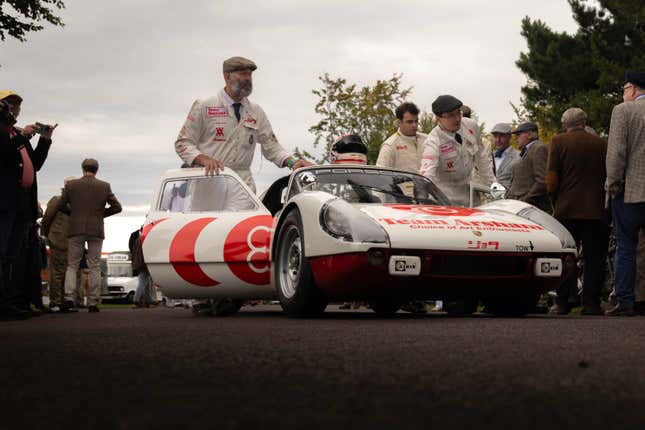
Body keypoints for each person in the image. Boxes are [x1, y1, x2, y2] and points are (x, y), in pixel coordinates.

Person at [175, 56, 313, 193]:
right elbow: (182, 144)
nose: (248, 79)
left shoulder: (255, 111)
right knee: (210, 216)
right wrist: (203, 159)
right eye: (242, 74)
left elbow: (272, 147)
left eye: (250, 75)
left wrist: (293, 162)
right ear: (227, 76)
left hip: (242, 184)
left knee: (249, 215)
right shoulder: (204, 105)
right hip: (208, 182)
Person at [546, 107, 609, 315]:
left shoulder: (558, 141)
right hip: (596, 209)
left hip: (567, 209)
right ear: (584, 122)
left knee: (567, 256)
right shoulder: (602, 144)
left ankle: (564, 301)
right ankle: (591, 302)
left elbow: (552, 176)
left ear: (565, 125)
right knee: (594, 258)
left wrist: (554, 199)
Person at [1, 90, 57, 316]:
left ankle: (13, 301)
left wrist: (44, 140)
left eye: (17, 105)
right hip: (5, 202)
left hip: (21, 203)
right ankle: (5, 302)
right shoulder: (9, 135)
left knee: (14, 255)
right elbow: (5, 155)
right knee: (3, 252)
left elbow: (35, 164)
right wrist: (22, 136)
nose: (15, 109)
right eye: (10, 104)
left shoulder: (15, 135)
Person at [57, 158, 122, 313]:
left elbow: (60, 205)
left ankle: (68, 298)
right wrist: (100, 215)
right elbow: (117, 207)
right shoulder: (104, 186)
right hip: (96, 229)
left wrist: (73, 215)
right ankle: (93, 302)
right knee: (94, 266)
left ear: (82, 168)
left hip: (76, 229)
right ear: (96, 170)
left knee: (72, 265)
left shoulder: (71, 185)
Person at [605, 71, 645, 316]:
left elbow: (616, 153)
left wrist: (612, 185)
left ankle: (626, 302)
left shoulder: (623, 111)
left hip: (630, 192)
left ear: (631, 88)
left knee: (626, 246)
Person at [420, 95, 495, 206]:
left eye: (458, 112)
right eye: (450, 115)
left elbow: (483, 161)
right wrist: (421, 201)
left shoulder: (471, 126)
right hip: (445, 202)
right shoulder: (433, 142)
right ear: (438, 118)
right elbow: (427, 175)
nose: (457, 118)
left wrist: (495, 187)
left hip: (471, 198)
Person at [41, 177, 74, 312]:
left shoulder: (67, 201)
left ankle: (61, 301)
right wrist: (49, 236)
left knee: (63, 272)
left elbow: (47, 220)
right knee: (59, 272)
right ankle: (56, 302)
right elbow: (46, 219)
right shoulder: (58, 200)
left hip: (65, 240)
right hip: (60, 241)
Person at [506, 122, 551, 213]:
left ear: (530, 134)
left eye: (518, 135)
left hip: (530, 209)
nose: (515, 139)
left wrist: (525, 201)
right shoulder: (529, 149)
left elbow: (542, 181)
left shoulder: (539, 148)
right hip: (522, 207)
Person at [376, 102, 428, 173]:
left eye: (416, 121)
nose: (414, 125)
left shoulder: (427, 139)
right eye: (409, 122)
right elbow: (380, 174)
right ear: (399, 123)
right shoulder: (389, 146)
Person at [490, 123, 520, 189]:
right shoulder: (488, 156)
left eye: (502, 136)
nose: (498, 140)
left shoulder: (519, 157)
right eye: (495, 136)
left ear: (510, 137)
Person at [129, 227, 153, 308]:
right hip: (144, 264)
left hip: (138, 264)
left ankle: (150, 301)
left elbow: (133, 252)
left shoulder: (137, 240)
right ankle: (136, 300)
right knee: (143, 283)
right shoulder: (145, 240)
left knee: (146, 284)